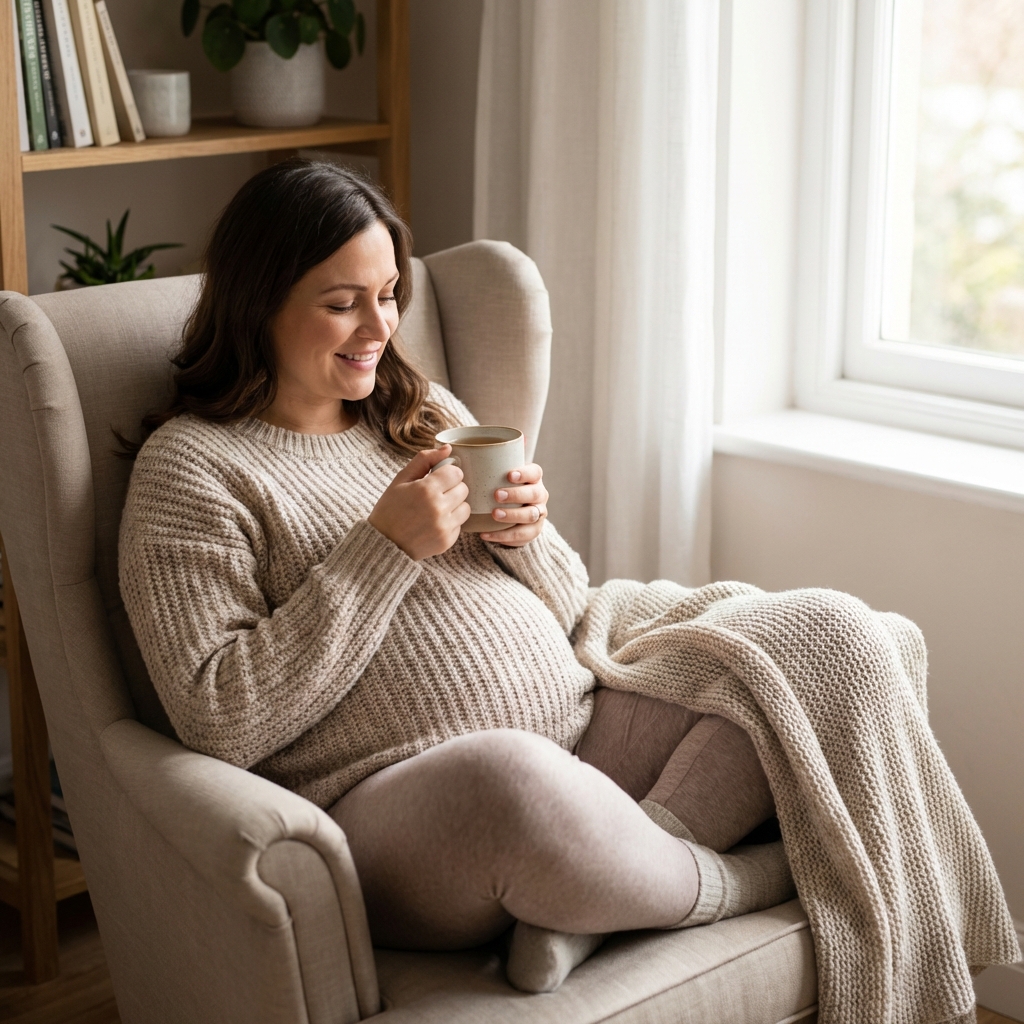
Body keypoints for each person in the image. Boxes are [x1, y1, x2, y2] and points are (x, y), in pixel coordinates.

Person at [118, 159, 793, 993]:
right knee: (515, 781)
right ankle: (733, 882)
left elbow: (568, 607)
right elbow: (218, 716)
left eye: (389, 293)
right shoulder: (191, 469)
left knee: (797, 649)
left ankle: (595, 896)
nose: (378, 327)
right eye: (341, 303)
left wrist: (526, 535)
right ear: (258, 306)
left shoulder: (423, 410)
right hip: (402, 810)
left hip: (577, 731)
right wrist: (383, 552)